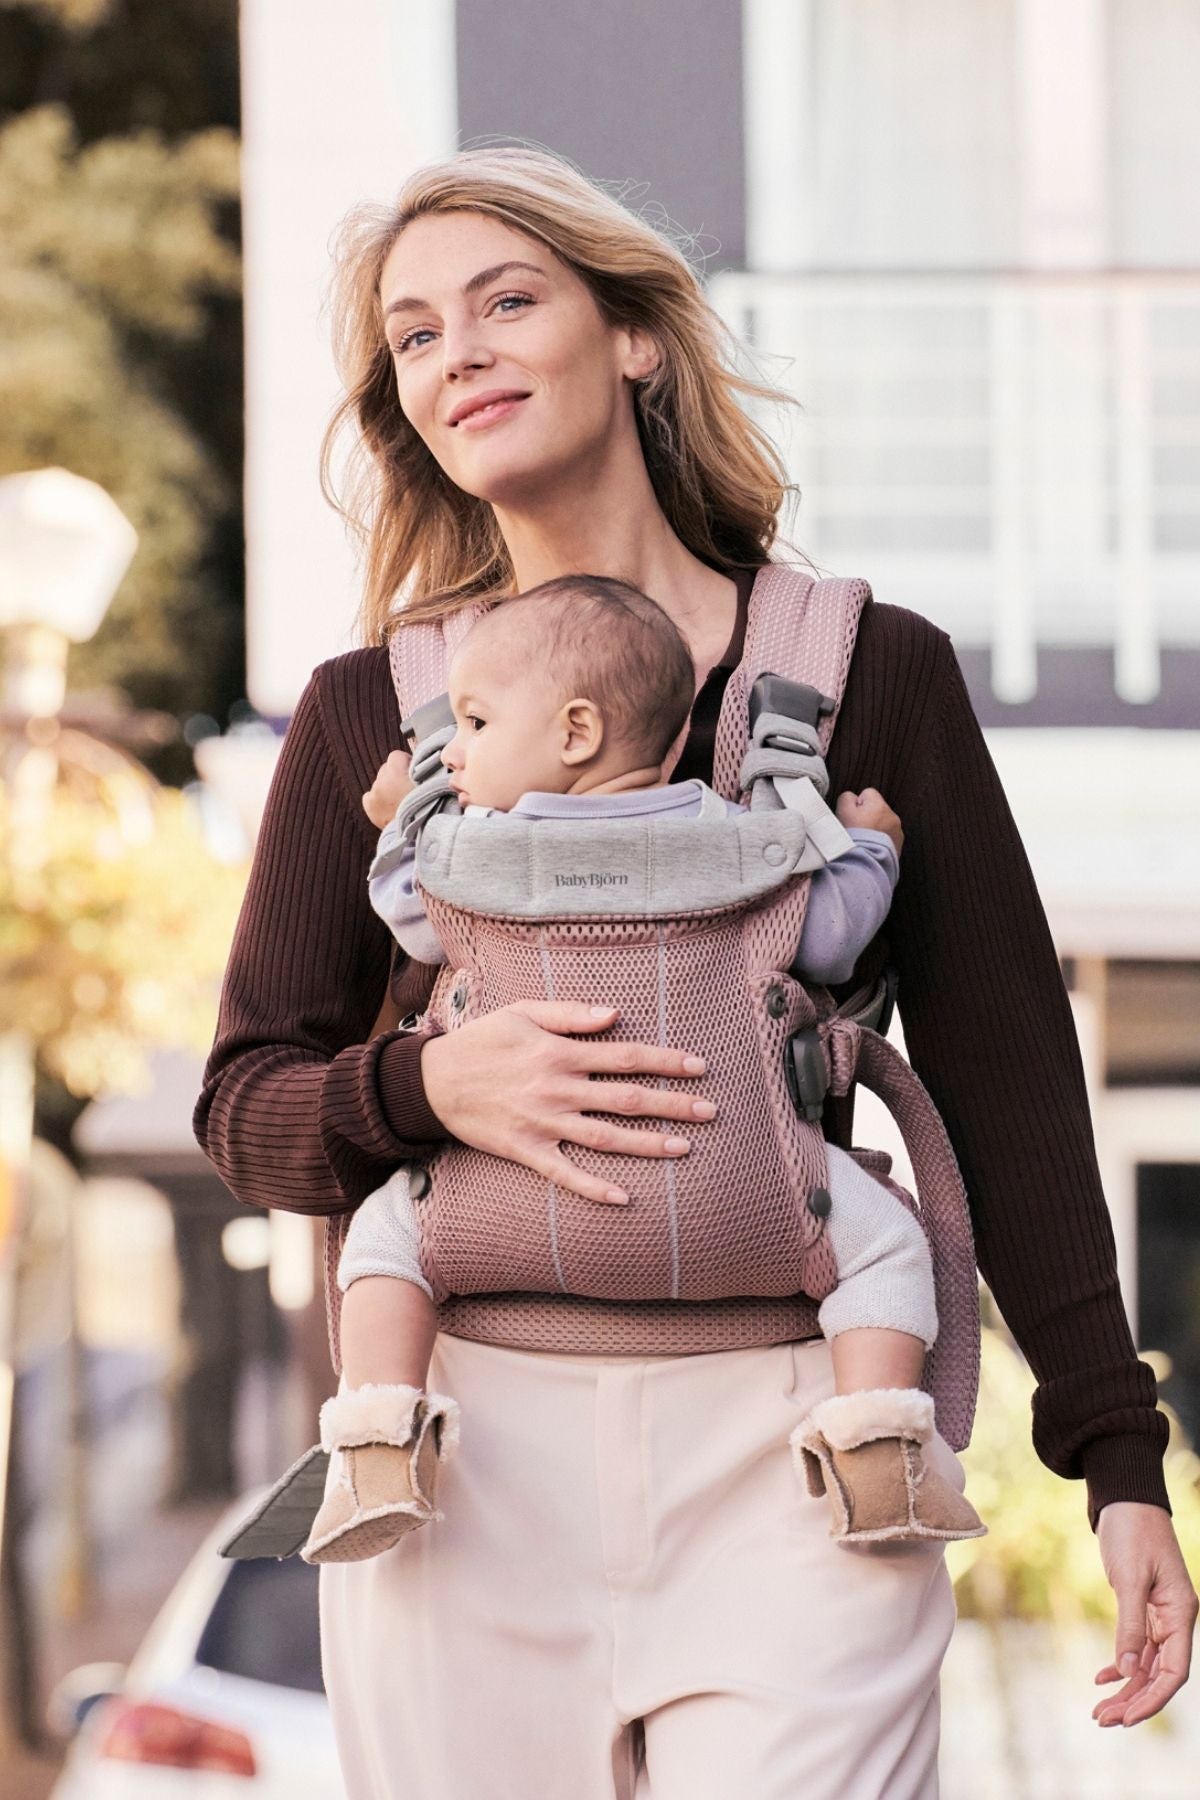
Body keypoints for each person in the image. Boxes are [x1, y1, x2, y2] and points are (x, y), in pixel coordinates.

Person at [195, 147, 1196, 1796]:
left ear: (638, 337)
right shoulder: (374, 714)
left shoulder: (873, 674)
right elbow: (245, 1111)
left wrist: (1118, 1462)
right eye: (419, 336)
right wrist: (429, 1084)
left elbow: (1010, 1088)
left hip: (810, 1461)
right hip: (458, 1484)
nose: (464, 354)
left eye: (508, 301)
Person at [304, 573, 984, 1565]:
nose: (454, 749)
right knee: (885, 1249)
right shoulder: (753, 844)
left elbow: (406, 908)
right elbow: (835, 939)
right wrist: (873, 849)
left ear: (576, 732)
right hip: (743, 1195)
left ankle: (378, 1441)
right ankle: (880, 1445)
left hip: (499, 1206)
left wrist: (399, 817)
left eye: (478, 721)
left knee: (381, 1243)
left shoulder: (465, 858)